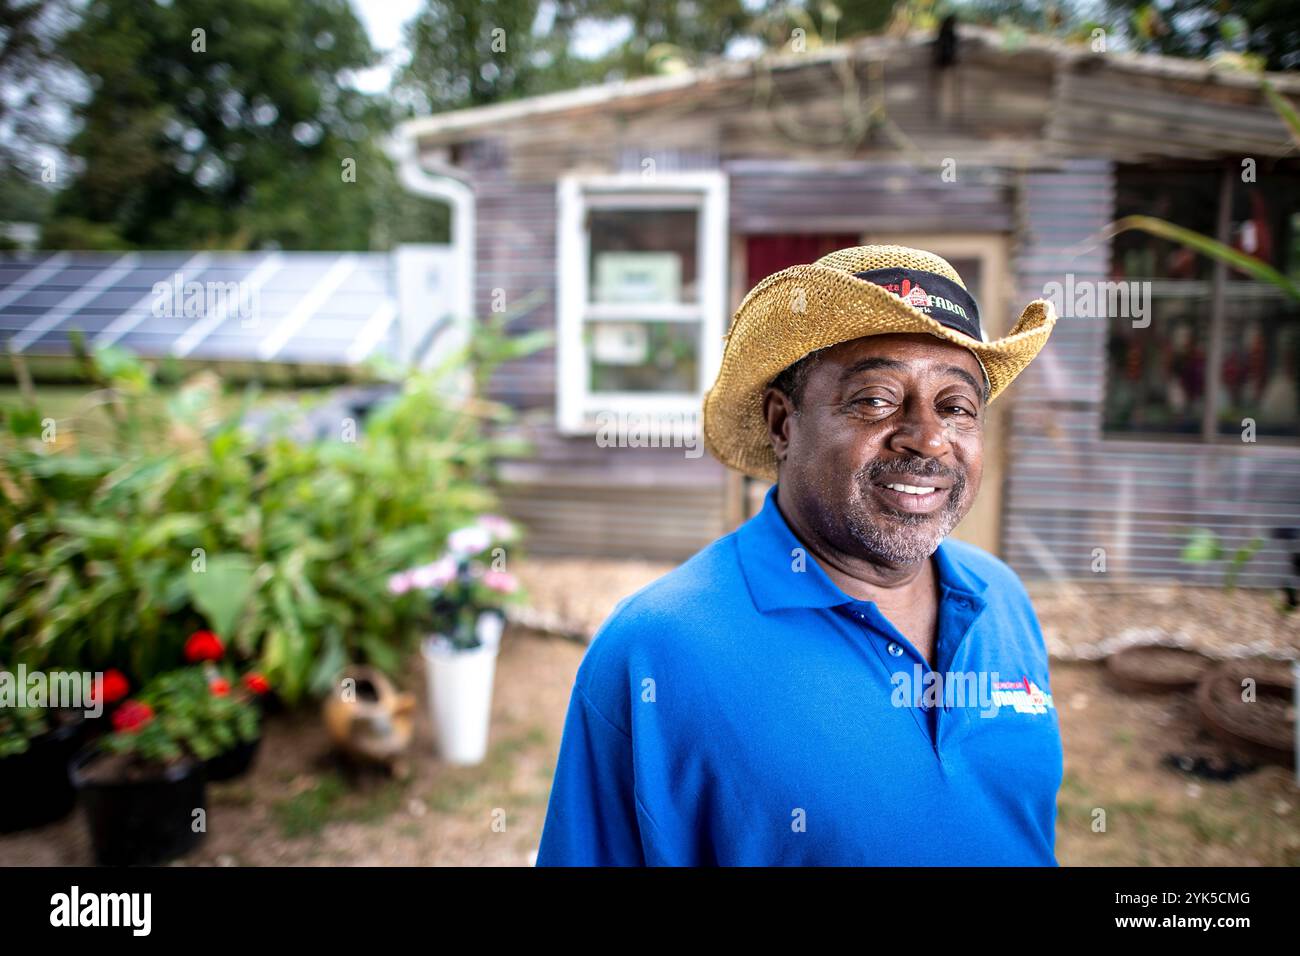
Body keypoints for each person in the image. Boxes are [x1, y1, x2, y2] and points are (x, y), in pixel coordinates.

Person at [536, 244, 1063, 865]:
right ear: (783, 423)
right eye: (876, 399)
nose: (928, 437)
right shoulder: (656, 648)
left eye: (957, 407)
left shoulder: (999, 595)